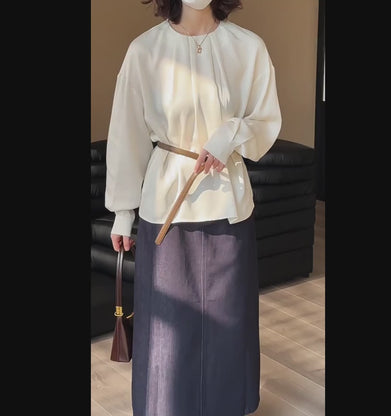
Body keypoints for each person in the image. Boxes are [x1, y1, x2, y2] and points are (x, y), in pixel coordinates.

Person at [104, 0, 282, 415]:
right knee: (167, 327)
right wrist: (123, 212)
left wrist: (230, 135)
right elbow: (126, 132)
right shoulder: (144, 50)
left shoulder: (249, 47)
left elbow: (266, 118)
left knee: (230, 323)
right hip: (166, 204)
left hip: (228, 205)